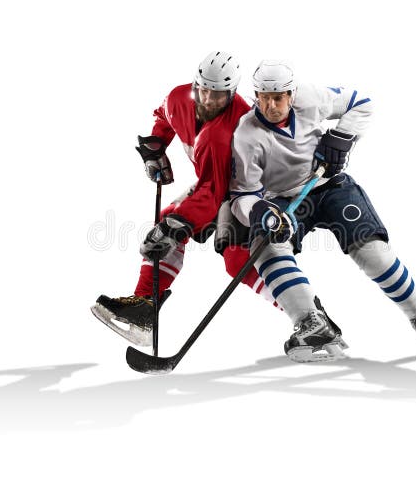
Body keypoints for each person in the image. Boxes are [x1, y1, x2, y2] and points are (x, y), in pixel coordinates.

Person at [229, 59, 416, 363]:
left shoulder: (312, 98)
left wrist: (342, 137)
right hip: (283, 200)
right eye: (264, 98)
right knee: (267, 251)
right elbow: (242, 194)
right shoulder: (246, 135)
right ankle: (310, 321)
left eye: (278, 98)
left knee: (374, 254)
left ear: (291, 94)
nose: (271, 105)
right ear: (256, 96)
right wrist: (260, 211)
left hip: (330, 187)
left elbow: (362, 103)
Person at [91, 51, 279, 346]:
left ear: (231, 94)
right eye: (203, 89)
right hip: (213, 183)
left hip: (249, 191)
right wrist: (157, 148)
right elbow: (164, 116)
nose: (208, 99)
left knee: (236, 261)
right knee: (168, 222)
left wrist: (178, 224)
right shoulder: (179, 97)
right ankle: (145, 308)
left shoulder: (230, 129)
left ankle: (307, 314)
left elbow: (213, 191)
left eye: (218, 95)